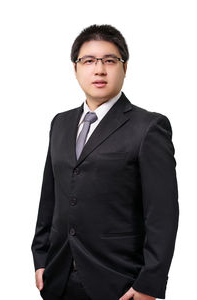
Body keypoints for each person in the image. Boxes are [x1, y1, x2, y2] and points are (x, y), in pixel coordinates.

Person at [31, 24, 179, 300]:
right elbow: (49, 197)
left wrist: (150, 282)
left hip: (119, 282)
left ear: (125, 67)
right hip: (58, 277)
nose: (99, 70)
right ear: (75, 69)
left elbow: (163, 213)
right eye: (88, 61)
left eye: (109, 60)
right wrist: (40, 257)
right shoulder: (60, 123)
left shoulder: (148, 127)